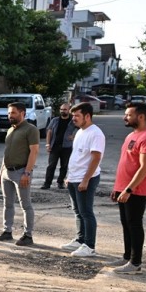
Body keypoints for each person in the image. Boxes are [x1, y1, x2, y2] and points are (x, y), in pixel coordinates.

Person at [107, 103, 146, 274]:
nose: (125, 117)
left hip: (136, 190)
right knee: (126, 223)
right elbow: (126, 164)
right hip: (124, 187)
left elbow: (145, 167)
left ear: (141, 117)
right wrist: (118, 187)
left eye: (129, 115)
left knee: (134, 224)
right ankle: (127, 256)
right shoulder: (132, 135)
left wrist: (129, 189)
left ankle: (135, 263)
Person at [61, 102, 105, 257]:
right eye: (73, 115)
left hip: (86, 179)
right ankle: (80, 240)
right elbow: (77, 156)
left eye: (77, 116)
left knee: (86, 212)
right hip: (74, 178)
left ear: (87, 116)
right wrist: (69, 176)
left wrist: (85, 180)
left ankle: (89, 246)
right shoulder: (80, 131)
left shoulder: (96, 133)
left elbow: (95, 158)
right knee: (77, 211)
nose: (74, 118)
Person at [0, 102, 39, 246]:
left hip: (21, 172)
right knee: (7, 204)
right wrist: (1, 172)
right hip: (7, 172)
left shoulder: (31, 129)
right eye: (9, 113)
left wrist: (27, 172)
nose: (10, 116)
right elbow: (6, 152)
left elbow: (34, 152)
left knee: (26, 205)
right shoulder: (10, 130)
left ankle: (28, 235)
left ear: (22, 113)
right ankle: (7, 231)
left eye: (13, 113)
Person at [41, 104, 78, 189]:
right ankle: (47, 183)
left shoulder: (73, 121)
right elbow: (49, 132)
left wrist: (74, 136)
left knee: (64, 166)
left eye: (65, 109)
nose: (62, 111)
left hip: (67, 147)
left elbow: (82, 129)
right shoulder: (55, 120)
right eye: (61, 109)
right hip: (54, 146)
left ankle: (60, 182)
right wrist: (48, 144)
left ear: (69, 110)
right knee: (51, 166)